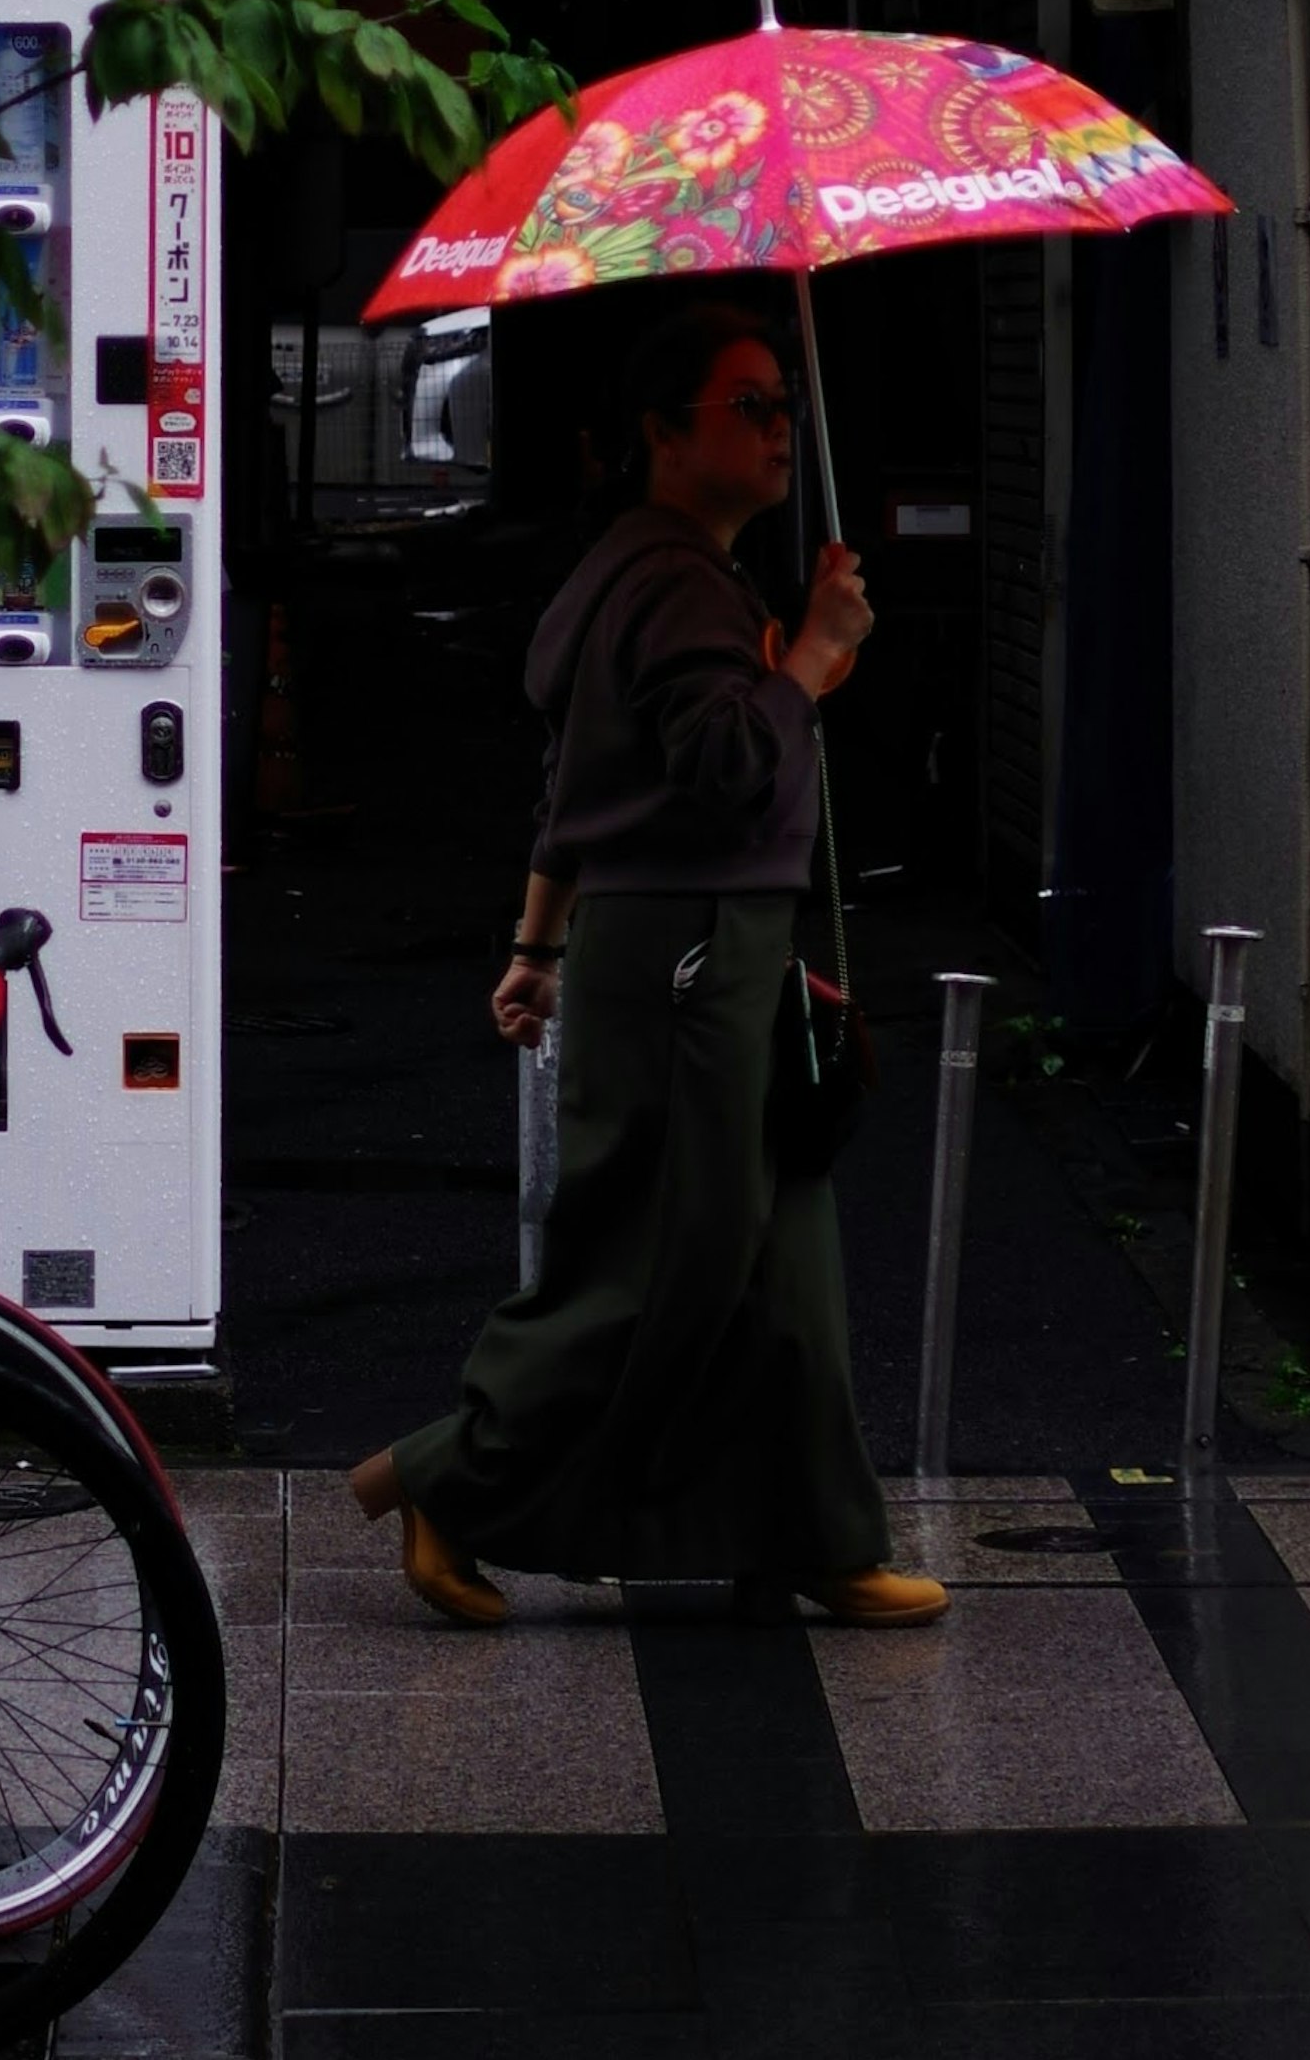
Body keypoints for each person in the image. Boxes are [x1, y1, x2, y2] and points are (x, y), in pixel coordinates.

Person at [349, 289, 946, 1631]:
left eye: (785, 404)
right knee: (657, 1254)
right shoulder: (676, 583)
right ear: (666, 434)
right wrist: (814, 655)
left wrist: (535, 943)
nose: (784, 427)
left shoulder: (641, 569)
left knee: (780, 1255)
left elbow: (579, 791)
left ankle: (818, 1532)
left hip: (682, 943)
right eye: (753, 405)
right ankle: (446, 1479)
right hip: (692, 954)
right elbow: (726, 766)